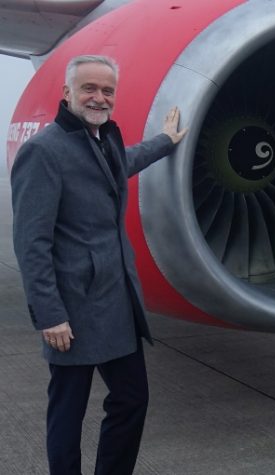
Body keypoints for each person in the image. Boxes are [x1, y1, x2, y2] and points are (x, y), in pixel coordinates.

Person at [11, 54, 187, 475]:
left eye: (107, 90)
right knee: (68, 413)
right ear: (67, 92)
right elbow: (31, 242)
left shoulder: (103, 138)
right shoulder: (43, 151)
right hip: (70, 310)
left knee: (131, 399)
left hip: (114, 303)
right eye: (89, 88)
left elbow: (120, 165)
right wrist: (49, 314)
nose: (99, 97)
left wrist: (164, 141)